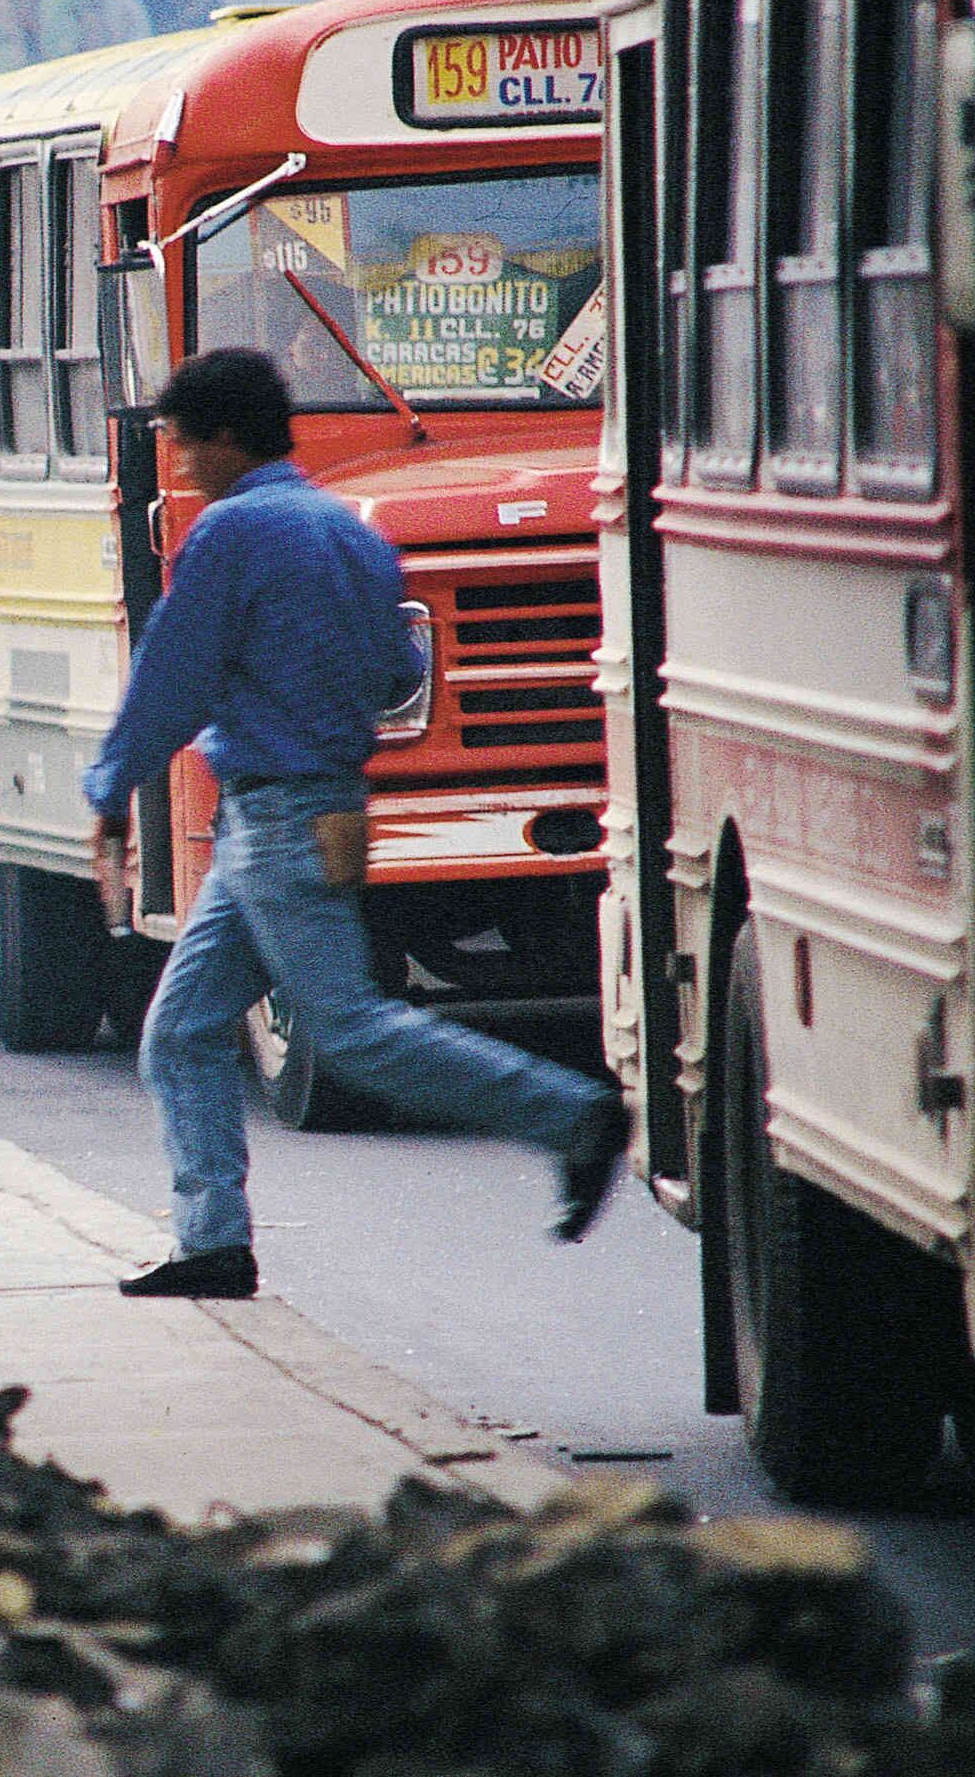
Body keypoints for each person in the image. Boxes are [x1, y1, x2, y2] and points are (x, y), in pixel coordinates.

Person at [81, 349, 632, 1299]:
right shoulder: (352, 534)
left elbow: (173, 677)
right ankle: (212, 1244)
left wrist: (109, 789)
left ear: (222, 436)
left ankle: (573, 1115)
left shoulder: (231, 534)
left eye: (180, 439)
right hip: (324, 803)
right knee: (179, 1031)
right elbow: (389, 671)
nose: (176, 459)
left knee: (352, 1030)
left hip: (275, 813)